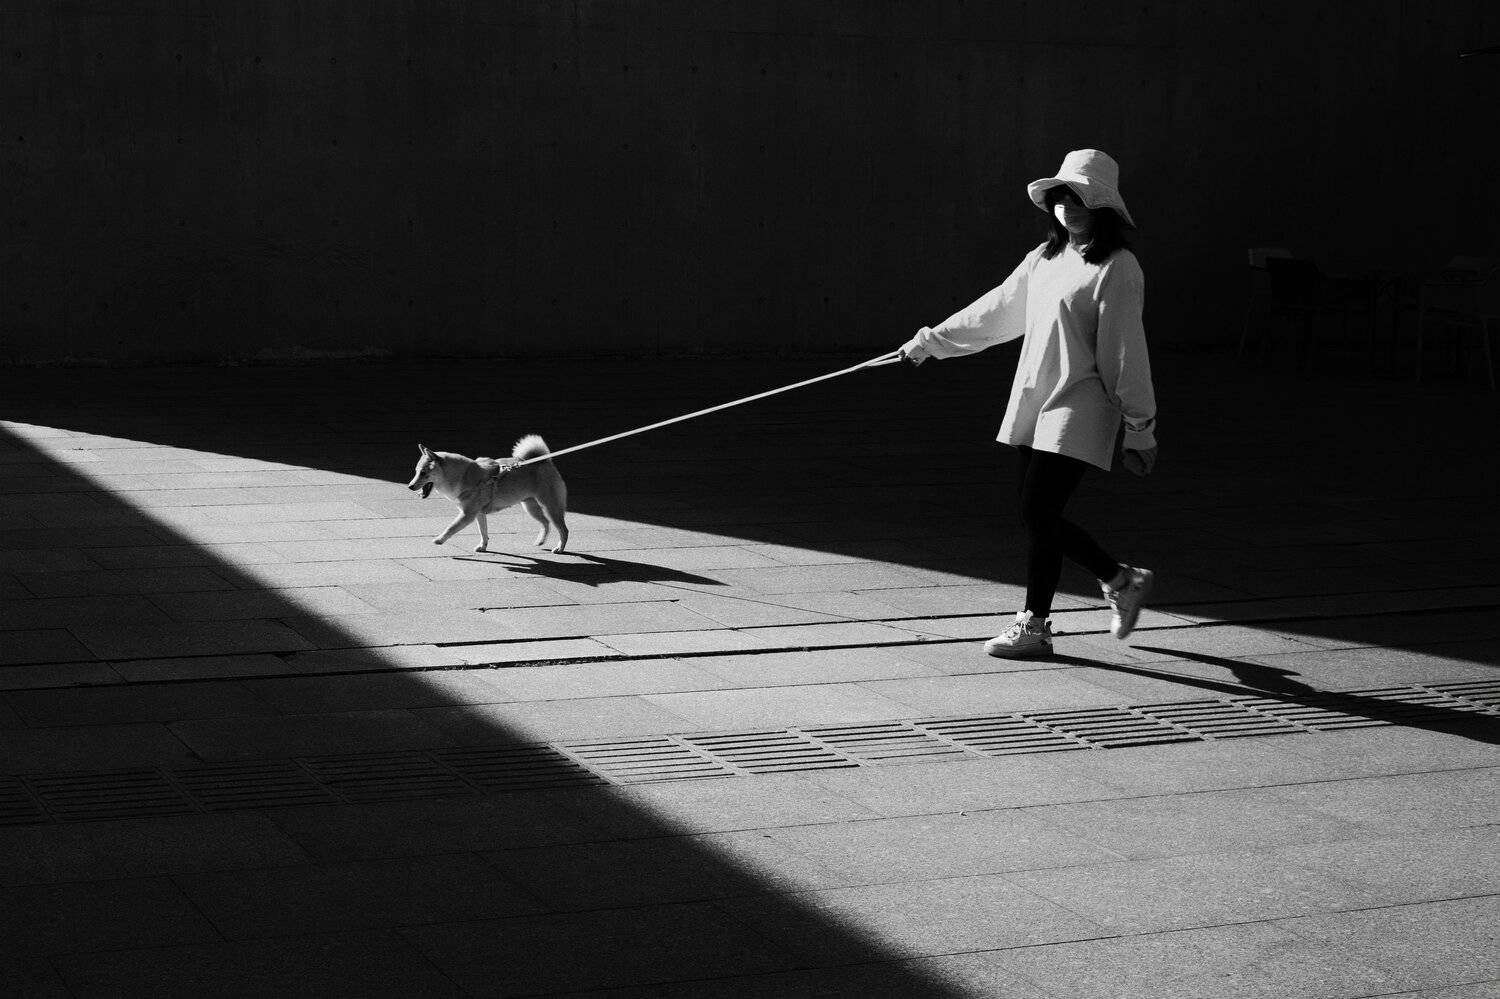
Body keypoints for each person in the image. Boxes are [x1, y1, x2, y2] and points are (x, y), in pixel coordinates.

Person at [898, 149, 1158, 658]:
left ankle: (1047, 618)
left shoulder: (1118, 267)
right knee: (1038, 516)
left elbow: (1126, 351)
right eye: (1060, 196)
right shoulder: (1044, 259)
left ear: (1102, 205)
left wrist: (1140, 428)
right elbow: (997, 310)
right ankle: (1112, 583)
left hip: (1082, 403)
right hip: (1038, 398)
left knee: (1037, 512)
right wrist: (931, 342)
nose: (1068, 206)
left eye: (1080, 197)